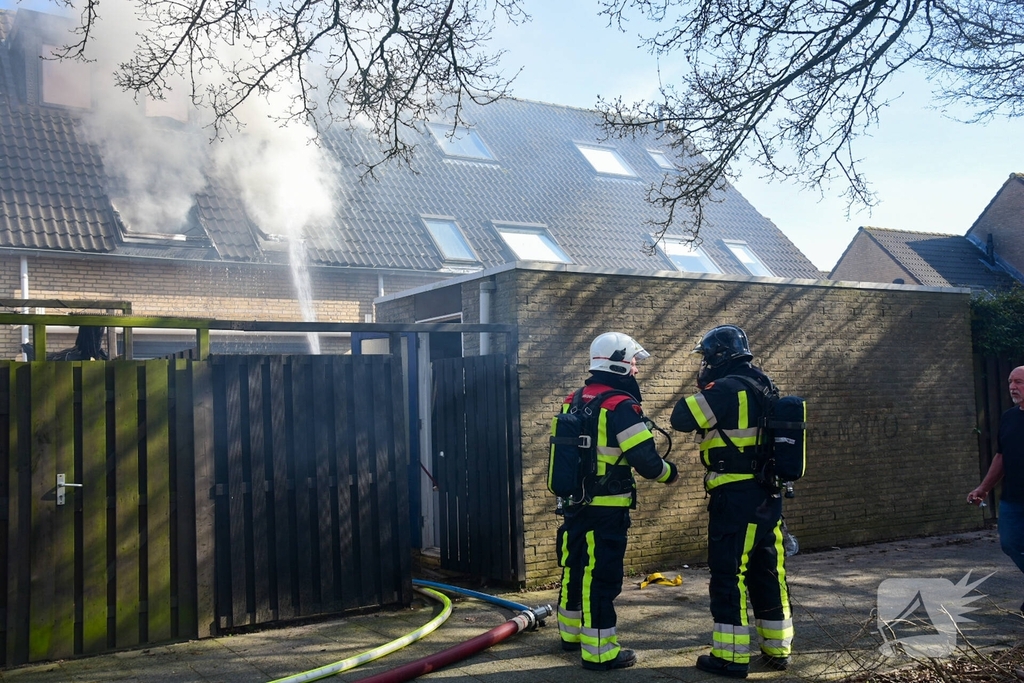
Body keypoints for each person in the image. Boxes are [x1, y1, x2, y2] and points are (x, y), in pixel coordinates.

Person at [670, 324, 793, 679]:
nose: (704, 364)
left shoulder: (725, 389)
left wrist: (704, 387)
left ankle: (730, 657)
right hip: (768, 494)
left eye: (706, 358)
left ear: (718, 357)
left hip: (735, 497)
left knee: (729, 574)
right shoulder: (764, 385)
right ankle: (777, 650)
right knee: (768, 572)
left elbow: (681, 418)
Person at [555, 331, 679, 671]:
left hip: (574, 503)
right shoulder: (621, 406)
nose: (636, 369)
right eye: (634, 362)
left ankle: (570, 634)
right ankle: (600, 651)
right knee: (601, 576)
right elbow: (646, 462)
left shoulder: (573, 399)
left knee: (575, 566)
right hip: (607, 508)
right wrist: (671, 473)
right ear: (619, 364)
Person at [968, 365, 1024, 608]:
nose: (1013, 387)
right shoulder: (1009, 417)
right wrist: (983, 488)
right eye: (1011, 381)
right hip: (1013, 497)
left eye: (1019, 382)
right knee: (1009, 543)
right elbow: (1001, 456)